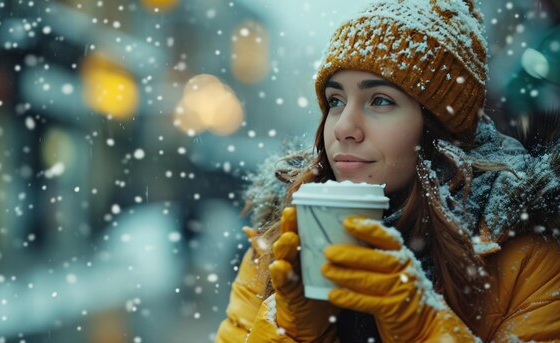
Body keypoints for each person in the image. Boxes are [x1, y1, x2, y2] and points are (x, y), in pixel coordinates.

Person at [216, 0, 560, 342]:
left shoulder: (527, 256)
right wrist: (290, 331)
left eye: (380, 100)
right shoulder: (278, 247)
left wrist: (423, 329)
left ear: (439, 128)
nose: (343, 128)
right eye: (336, 101)